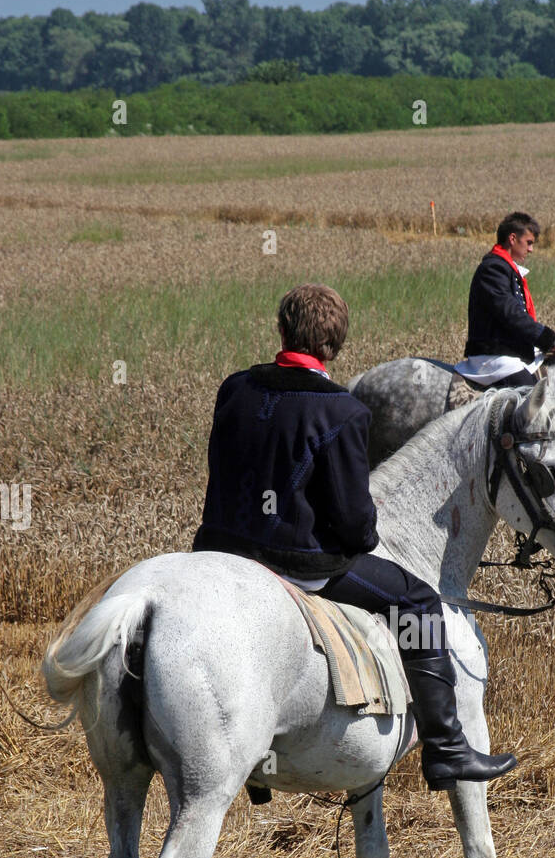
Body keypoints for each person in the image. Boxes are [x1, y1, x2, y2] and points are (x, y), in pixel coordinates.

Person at [192, 283, 517, 792]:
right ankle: (448, 750)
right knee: (419, 601)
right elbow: (354, 526)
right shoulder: (341, 411)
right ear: (336, 345)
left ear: (281, 329)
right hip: (297, 564)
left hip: (218, 550)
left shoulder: (235, 388)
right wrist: (354, 530)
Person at [455, 211, 555, 389]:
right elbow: (512, 314)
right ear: (512, 239)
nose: (531, 249)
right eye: (529, 243)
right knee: (534, 402)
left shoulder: (506, 269)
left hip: (509, 353)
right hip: (494, 357)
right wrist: (552, 341)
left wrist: (545, 347)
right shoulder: (493, 269)